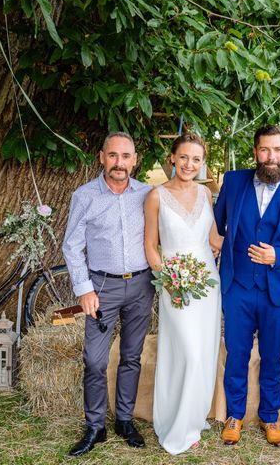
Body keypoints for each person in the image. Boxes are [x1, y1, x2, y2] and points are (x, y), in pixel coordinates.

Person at [214, 125, 280, 447]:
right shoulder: (233, 182)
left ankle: (271, 417)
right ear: (255, 151)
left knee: (273, 355)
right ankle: (234, 416)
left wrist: (277, 256)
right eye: (264, 150)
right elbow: (216, 227)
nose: (271, 157)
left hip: (278, 292)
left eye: (277, 150)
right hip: (238, 287)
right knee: (237, 354)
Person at [62, 132, 155, 457]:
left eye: (125, 156)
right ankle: (95, 426)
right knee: (95, 360)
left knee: (131, 356)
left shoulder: (147, 194)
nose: (119, 163)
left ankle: (125, 420)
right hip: (102, 287)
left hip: (142, 285)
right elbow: (72, 245)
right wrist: (84, 289)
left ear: (135, 160)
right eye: (113, 156)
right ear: (102, 157)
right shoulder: (84, 195)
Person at [144, 133, 224, 455]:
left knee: (203, 353)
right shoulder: (156, 196)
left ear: (201, 162)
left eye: (196, 159)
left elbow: (214, 237)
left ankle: (193, 417)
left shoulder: (206, 193)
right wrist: (167, 279)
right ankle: (176, 424)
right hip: (174, 284)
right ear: (172, 158)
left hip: (207, 283)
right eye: (184, 157)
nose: (190, 164)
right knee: (187, 352)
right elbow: (151, 246)